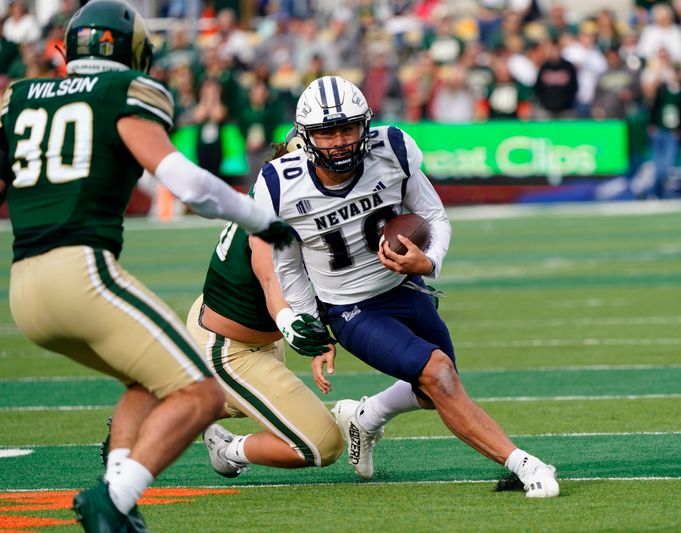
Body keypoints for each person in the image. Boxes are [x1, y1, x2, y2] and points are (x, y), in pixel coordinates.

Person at [0, 1, 292, 531]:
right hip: (81, 273)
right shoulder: (127, 92)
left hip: (23, 289)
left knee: (150, 379)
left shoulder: (16, 97)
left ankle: (118, 499)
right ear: (134, 50)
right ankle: (113, 500)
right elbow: (188, 184)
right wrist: (262, 221)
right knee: (203, 391)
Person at [263, 75, 559, 498]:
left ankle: (364, 419)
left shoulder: (392, 150)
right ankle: (523, 463)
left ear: (365, 124)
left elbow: (434, 217)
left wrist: (429, 260)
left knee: (435, 388)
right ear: (306, 137)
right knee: (438, 375)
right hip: (350, 308)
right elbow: (287, 267)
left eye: (348, 128)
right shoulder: (280, 184)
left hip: (405, 286)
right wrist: (312, 327)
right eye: (327, 132)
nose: (340, 141)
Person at [184, 141, 344, 477]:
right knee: (323, 443)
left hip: (251, 332)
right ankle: (228, 451)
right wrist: (293, 326)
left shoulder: (286, 204)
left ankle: (173, 408)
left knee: (242, 402)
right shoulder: (269, 216)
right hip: (228, 347)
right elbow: (272, 282)